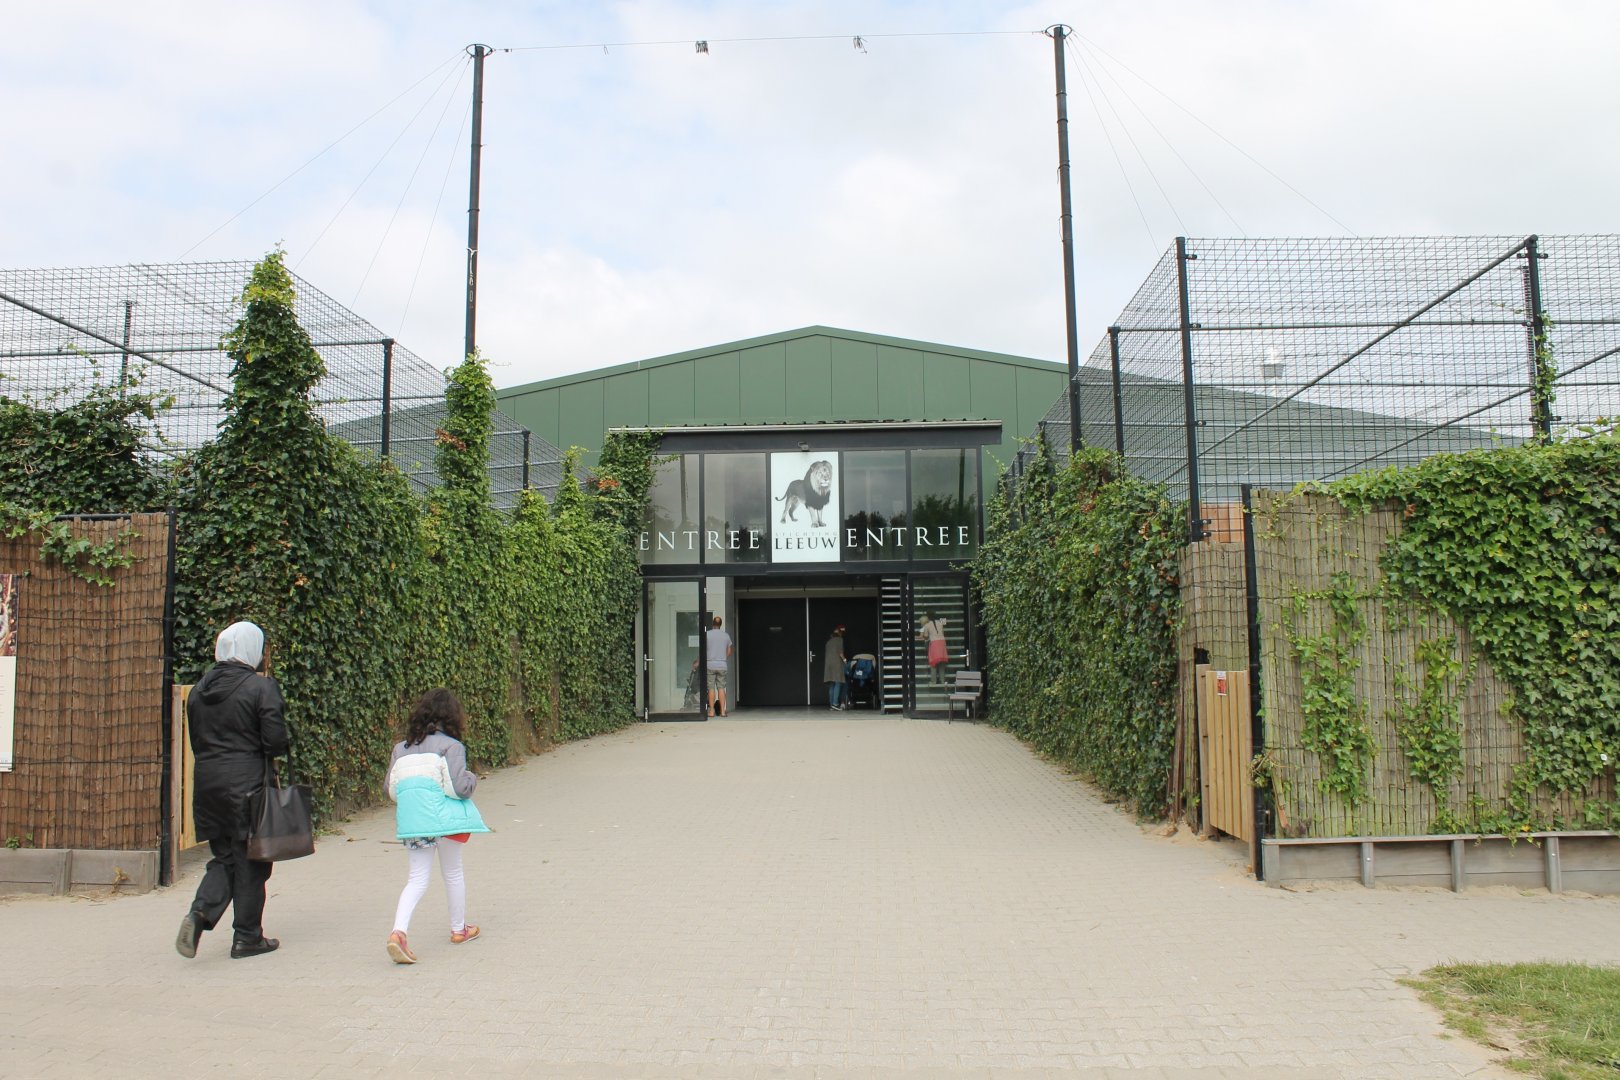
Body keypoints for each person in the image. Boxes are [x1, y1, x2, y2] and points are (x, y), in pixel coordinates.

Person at [175, 621, 287, 960]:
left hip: (208, 784)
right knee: (252, 861)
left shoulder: (198, 691)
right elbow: (276, 742)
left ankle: (200, 912)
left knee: (225, 856)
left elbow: (197, 740)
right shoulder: (260, 688)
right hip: (248, 785)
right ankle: (247, 938)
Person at [385, 688, 490, 965]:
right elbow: (460, 789)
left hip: (415, 821)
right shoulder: (452, 747)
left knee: (417, 879)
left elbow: (391, 791)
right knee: (453, 872)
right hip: (446, 821)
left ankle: (398, 932)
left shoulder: (400, 749)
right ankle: (459, 930)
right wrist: (472, 777)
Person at [705, 614, 733, 717]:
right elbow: (729, 652)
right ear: (720, 624)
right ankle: (722, 711)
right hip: (722, 665)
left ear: (713, 624)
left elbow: (703, 650)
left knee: (711, 688)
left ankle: (711, 711)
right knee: (721, 688)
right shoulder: (726, 636)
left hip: (710, 665)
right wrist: (721, 657)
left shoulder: (707, 634)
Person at [919, 611, 950, 685]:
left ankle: (933, 681)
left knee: (933, 663)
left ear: (928, 617)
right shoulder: (940, 622)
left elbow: (926, 636)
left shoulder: (927, 625)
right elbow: (942, 632)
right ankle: (942, 681)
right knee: (942, 663)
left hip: (934, 643)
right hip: (942, 643)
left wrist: (922, 636)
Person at [823, 625, 847, 710]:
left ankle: (831, 705)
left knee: (831, 684)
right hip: (836, 664)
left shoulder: (828, 642)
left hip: (828, 666)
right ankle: (835, 703)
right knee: (838, 682)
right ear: (840, 634)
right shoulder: (840, 640)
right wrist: (844, 660)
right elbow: (840, 653)